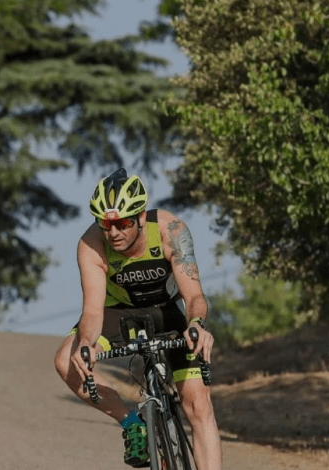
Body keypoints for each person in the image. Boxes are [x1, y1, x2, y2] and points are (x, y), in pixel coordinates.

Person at [53, 168, 222, 469]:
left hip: (167, 311)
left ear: (141, 217)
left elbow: (194, 297)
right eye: (105, 223)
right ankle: (132, 423)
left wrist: (196, 325)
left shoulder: (171, 231)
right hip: (117, 312)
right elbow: (92, 311)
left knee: (198, 404)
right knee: (67, 359)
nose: (113, 232)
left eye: (123, 223)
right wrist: (88, 343)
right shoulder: (91, 244)